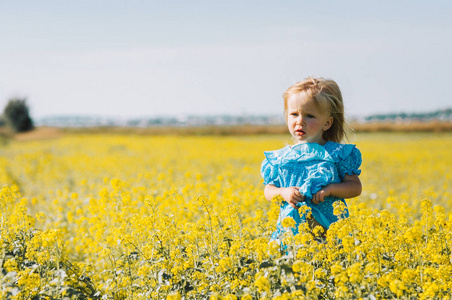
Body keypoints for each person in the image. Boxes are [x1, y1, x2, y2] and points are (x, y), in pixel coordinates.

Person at [261, 76, 362, 240]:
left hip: (329, 229)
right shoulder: (281, 158)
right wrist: (283, 192)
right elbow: (268, 190)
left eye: (309, 116)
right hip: (292, 232)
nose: (300, 121)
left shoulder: (336, 154)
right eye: (294, 114)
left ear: (327, 123)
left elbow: (355, 187)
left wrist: (330, 190)